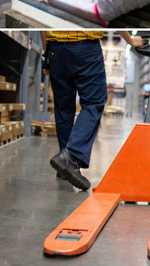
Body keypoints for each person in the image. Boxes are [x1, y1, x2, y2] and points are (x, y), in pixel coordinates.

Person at [41, 30, 143, 191]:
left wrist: (46, 53)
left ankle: (64, 165)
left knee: (63, 107)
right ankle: (71, 156)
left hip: (56, 50)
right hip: (85, 47)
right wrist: (130, 40)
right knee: (94, 102)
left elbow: (42, 25)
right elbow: (111, 12)